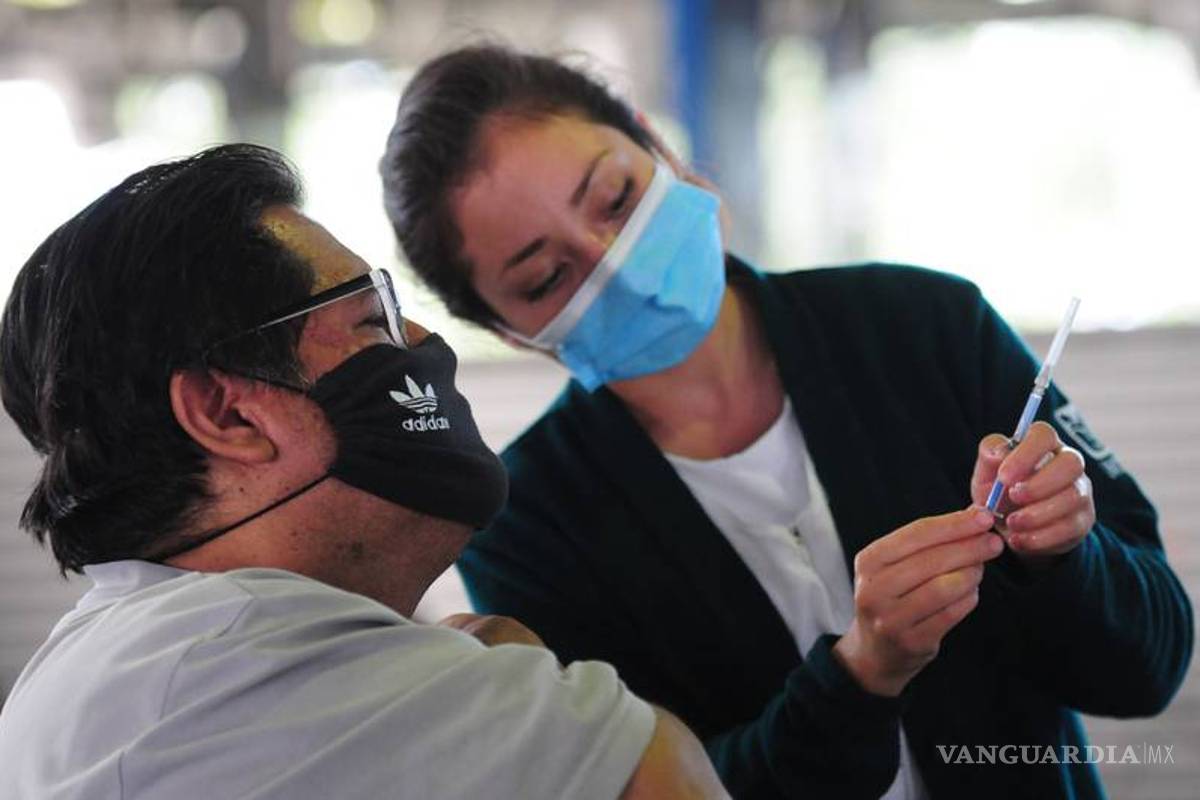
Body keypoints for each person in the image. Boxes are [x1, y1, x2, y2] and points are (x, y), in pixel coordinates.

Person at [379, 45, 1194, 800]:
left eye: (617, 199)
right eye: (547, 277)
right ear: (511, 333)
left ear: (658, 148)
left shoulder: (924, 327)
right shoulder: (528, 523)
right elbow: (643, 789)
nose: (615, 261)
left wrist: (1062, 558)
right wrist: (860, 677)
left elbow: (1149, 667)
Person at [0, 144, 730, 800]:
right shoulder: (246, 671)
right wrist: (516, 694)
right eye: (370, 319)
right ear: (227, 414)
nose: (419, 339)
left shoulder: (128, 662)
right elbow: (659, 779)